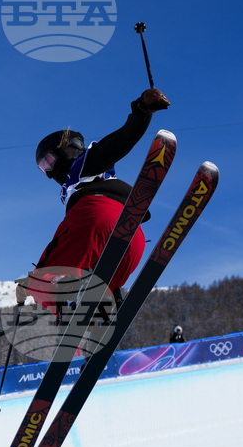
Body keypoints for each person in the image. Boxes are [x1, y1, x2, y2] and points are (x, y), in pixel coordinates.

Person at [17, 88, 171, 311]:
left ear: (69, 149)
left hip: (96, 218)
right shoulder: (75, 183)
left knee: (44, 279)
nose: (50, 171)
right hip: (132, 238)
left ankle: (62, 299)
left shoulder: (86, 162)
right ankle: (106, 300)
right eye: (43, 168)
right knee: (101, 279)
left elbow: (121, 140)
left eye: (49, 160)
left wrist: (142, 110)